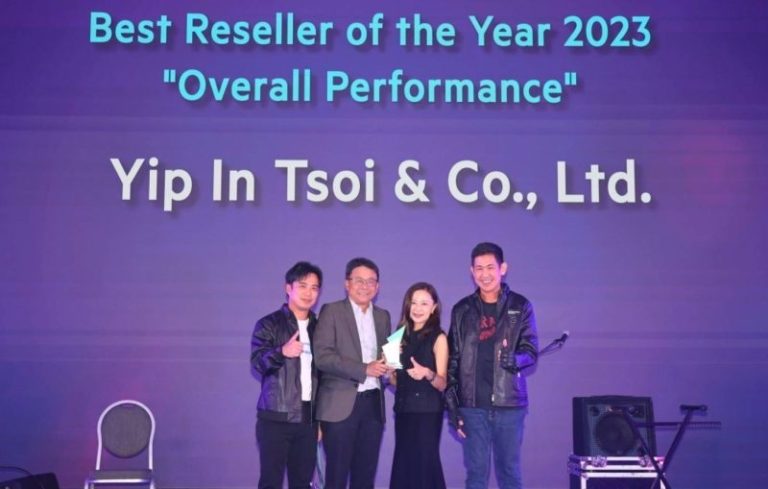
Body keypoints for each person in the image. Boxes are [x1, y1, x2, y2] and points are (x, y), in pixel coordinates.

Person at [445, 243, 539, 489]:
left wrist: (515, 360)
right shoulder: (461, 310)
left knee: (509, 473)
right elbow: (452, 360)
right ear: (471, 271)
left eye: (490, 267)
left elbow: (531, 351)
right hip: (472, 408)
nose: (484, 274)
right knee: (476, 475)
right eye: (479, 268)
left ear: (502, 269)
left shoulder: (520, 306)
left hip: (509, 405)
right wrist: (453, 407)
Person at [313, 257, 392, 489]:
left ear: (378, 286)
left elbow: (385, 357)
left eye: (371, 281)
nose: (365, 286)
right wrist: (364, 369)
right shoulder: (332, 311)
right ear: (347, 284)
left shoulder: (383, 316)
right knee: (336, 477)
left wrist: (389, 367)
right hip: (340, 406)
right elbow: (323, 356)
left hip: (373, 406)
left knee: (365, 478)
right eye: (359, 280)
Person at [250, 261, 323, 489]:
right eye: (303, 286)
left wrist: (320, 420)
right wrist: (282, 352)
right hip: (275, 418)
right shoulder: (268, 324)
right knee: (271, 483)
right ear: (288, 288)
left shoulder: (321, 328)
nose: (309, 293)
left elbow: (325, 377)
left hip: (308, 420)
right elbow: (258, 363)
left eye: (314, 287)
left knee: (302, 483)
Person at [389, 282, 448, 489]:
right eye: (414, 302)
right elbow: (396, 382)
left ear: (434, 308)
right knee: (403, 465)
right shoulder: (396, 337)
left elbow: (442, 383)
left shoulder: (439, 337)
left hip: (427, 412)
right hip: (403, 411)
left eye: (424, 303)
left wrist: (428, 373)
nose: (418, 308)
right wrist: (389, 373)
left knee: (425, 466)